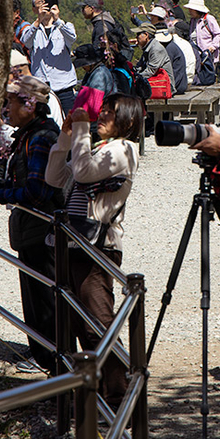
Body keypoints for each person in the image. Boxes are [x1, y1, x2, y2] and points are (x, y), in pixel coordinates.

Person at [45, 93, 143, 406]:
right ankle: (92, 391)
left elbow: (85, 172)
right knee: (77, 319)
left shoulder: (123, 150)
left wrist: (83, 128)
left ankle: (117, 394)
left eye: (110, 113)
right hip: (76, 241)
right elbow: (56, 177)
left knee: (98, 320)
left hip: (98, 247)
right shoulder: (98, 146)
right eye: (101, 111)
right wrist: (66, 135)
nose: (101, 116)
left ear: (127, 121)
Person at [0, 75, 63, 373]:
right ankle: (47, 355)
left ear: (30, 105)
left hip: (41, 228)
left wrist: (0, 194)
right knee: (37, 296)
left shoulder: (39, 138)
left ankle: (49, 359)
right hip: (33, 229)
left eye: (10, 101)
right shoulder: (32, 134)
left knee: (43, 299)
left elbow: (37, 192)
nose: (6, 108)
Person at [22, 0, 79, 116]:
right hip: (42, 89)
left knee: (69, 127)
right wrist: (38, 21)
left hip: (64, 88)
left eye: (47, 1)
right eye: (40, 3)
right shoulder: (31, 29)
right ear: (34, 9)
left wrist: (57, 19)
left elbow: (72, 37)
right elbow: (26, 42)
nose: (45, 6)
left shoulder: (65, 26)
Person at [186, 0, 220, 85]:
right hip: (197, 55)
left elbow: (218, 34)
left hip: (207, 55)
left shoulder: (208, 19)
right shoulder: (192, 21)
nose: (189, 11)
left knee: (208, 78)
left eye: (191, 9)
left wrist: (213, 46)